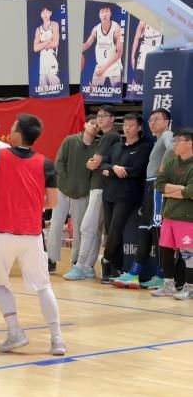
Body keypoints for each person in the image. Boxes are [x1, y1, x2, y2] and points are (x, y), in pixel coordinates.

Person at [0, 114, 65, 356]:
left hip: (2, 232)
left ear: (18, 134)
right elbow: (53, 202)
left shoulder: (0, 156)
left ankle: (15, 332)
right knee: (43, 286)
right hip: (32, 234)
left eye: (12, 128)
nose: (10, 131)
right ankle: (57, 340)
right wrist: (30, 205)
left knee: (0, 283)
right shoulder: (46, 163)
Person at [114, 108, 173, 289]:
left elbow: (173, 148)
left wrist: (164, 166)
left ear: (166, 122)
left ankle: (162, 275)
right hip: (149, 186)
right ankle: (134, 273)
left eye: (156, 119)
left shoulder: (167, 134)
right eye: (150, 120)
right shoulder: (157, 141)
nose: (152, 123)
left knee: (157, 230)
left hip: (156, 185)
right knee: (146, 230)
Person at [64, 105, 121, 280]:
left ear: (112, 119)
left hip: (100, 186)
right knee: (94, 229)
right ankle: (88, 267)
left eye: (104, 116)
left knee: (87, 227)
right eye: (98, 116)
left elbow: (94, 162)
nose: (100, 119)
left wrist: (91, 163)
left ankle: (80, 266)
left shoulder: (109, 136)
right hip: (103, 186)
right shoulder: (111, 137)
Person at [100, 114, 152, 283]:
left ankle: (106, 259)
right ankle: (116, 268)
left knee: (116, 229)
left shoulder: (144, 147)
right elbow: (103, 165)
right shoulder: (116, 146)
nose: (127, 128)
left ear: (139, 128)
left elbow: (135, 171)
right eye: (125, 125)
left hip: (127, 195)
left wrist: (110, 172)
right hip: (108, 194)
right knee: (110, 231)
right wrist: (114, 168)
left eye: (131, 125)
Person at [47, 114, 98, 273]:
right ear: (85, 125)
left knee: (79, 228)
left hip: (82, 194)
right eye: (92, 123)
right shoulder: (70, 141)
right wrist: (64, 181)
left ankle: (76, 260)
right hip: (62, 190)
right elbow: (59, 162)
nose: (94, 126)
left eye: (97, 125)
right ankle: (51, 259)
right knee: (55, 225)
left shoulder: (97, 148)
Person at [152, 128, 193, 299]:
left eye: (178, 141)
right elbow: (159, 184)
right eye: (174, 141)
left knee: (188, 253)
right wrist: (180, 189)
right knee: (167, 250)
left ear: (189, 143)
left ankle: (190, 288)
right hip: (169, 215)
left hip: (187, 217)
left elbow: (190, 191)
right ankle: (168, 285)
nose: (174, 144)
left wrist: (173, 191)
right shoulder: (172, 163)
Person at [82, 5, 123, 88]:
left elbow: (119, 53)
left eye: (106, 11)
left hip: (114, 67)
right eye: (102, 12)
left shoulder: (118, 29)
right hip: (100, 67)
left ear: (110, 13)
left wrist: (104, 68)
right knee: (92, 91)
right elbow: (87, 44)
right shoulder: (95, 29)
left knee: (116, 92)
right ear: (99, 14)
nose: (104, 14)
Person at [33, 6, 61, 88]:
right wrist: (48, 40)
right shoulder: (38, 29)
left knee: (55, 90)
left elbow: (55, 43)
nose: (45, 14)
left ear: (50, 13)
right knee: (43, 91)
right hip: (42, 67)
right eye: (43, 12)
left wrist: (41, 45)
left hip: (52, 62)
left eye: (47, 11)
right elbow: (35, 48)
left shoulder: (54, 25)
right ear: (41, 14)